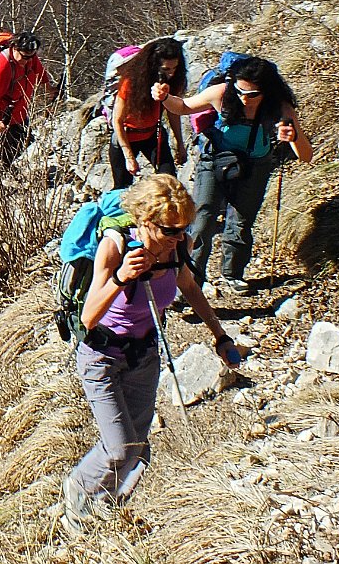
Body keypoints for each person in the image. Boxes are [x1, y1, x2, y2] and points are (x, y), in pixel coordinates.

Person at [63, 174, 236, 529]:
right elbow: (89, 316)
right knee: (120, 448)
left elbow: (188, 287)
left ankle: (103, 503)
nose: (178, 237)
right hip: (102, 355)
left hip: (144, 355)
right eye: (169, 230)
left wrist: (220, 335)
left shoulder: (177, 248)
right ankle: (77, 493)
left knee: (137, 445)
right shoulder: (115, 248)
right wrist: (121, 278)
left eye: (183, 228)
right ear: (145, 221)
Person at [157, 57, 313, 293]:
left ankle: (232, 274)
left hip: (256, 166)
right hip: (215, 160)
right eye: (240, 91)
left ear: (267, 91)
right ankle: (190, 282)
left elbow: (306, 156)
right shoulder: (221, 93)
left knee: (241, 220)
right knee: (201, 220)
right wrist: (164, 97)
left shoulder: (280, 108)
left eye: (252, 94)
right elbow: (183, 107)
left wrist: (293, 138)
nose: (244, 98)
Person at [110, 38, 188, 189]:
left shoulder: (173, 82)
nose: (171, 74)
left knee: (169, 181)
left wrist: (180, 144)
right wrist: (129, 157)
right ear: (154, 65)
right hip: (126, 136)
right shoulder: (131, 81)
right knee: (121, 188)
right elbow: (117, 121)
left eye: (174, 68)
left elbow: (174, 113)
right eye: (166, 69)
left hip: (153, 135)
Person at [0, 32, 57, 167]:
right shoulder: (1, 66)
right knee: (0, 153)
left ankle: (11, 175)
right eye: (24, 57)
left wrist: (51, 91)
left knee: (23, 146)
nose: (27, 60)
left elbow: (40, 75)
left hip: (17, 113)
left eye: (31, 57)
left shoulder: (29, 57)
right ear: (14, 48)